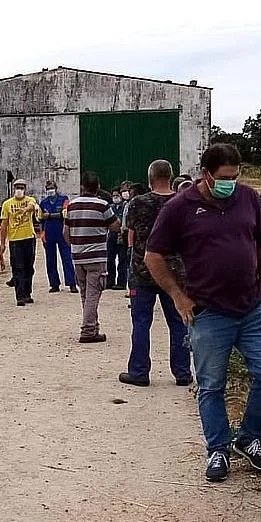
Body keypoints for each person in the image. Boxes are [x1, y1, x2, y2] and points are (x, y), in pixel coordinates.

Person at [145, 143, 261, 483]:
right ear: (206, 174)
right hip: (210, 313)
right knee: (211, 385)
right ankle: (218, 448)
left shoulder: (248, 198)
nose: (231, 183)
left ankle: (249, 437)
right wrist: (177, 295)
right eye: (224, 177)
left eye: (235, 176)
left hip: (254, 309)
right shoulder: (180, 207)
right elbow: (153, 255)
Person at [119, 160, 192, 388]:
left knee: (141, 322)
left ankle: (139, 372)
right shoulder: (182, 202)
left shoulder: (137, 203)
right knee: (179, 322)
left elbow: (128, 233)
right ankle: (182, 372)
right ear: (171, 177)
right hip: (174, 272)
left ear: (149, 177)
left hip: (143, 270)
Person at [64, 171, 121, 343]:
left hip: (78, 256)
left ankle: (92, 325)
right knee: (93, 294)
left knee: (85, 294)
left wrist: (75, 246)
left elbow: (65, 233)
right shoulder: (102, 205)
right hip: (96, 257)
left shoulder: (72, 206)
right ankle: (88, 330)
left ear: (81, 186)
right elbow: (115, 226)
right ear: (98, 187)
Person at [0, 178, 40, 306]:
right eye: (17, 187)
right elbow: (4, 224)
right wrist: (2, 242)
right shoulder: (7, 204)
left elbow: (33, 206)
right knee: (18, 268)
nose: (19, 190)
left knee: (29, 267)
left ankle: (27, 293)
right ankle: (20, 295)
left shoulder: (30, 200)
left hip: (29, 237)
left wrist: (25, 210)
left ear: (25, 189)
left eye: (21, 188)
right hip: (15, 240)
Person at [38, 179, 78, 294]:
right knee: (50, 259)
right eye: (48, 189)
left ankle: (72, 283)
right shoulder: (43, 202)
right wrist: (42, 234)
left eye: (52, 188)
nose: (50, 190)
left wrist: (50, 215)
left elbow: (65, 214)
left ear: (56, 188)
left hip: (62, 231)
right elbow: (41, 219)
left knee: (67, 258)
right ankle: (54, 284)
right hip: (49, 231)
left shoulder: (64, 200)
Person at [106, 189, 128, 290]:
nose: (115, 198)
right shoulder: (111, 207)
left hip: (122, 235)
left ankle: (121, 282)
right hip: (112, 235)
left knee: (122, 259)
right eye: (113, 196)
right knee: (110, 259)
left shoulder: (125, 206)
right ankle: (110, 281)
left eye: (117, 195)